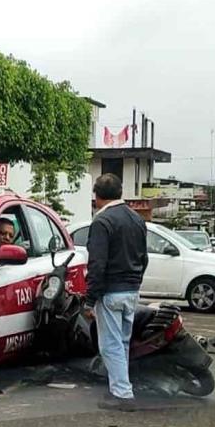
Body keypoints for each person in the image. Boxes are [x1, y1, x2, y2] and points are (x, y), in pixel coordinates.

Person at [82, 173, 148, 411]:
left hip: (111, 292)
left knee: (110, 345)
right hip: (131, 290)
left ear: (96, 197)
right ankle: (121, 387)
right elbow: (144, 257)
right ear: (121, 192)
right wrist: (136, 283)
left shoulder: (102, 222)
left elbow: (97, 264)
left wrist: (89, 301)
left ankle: (122, 394)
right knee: (122, 343)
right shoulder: (137, 219)